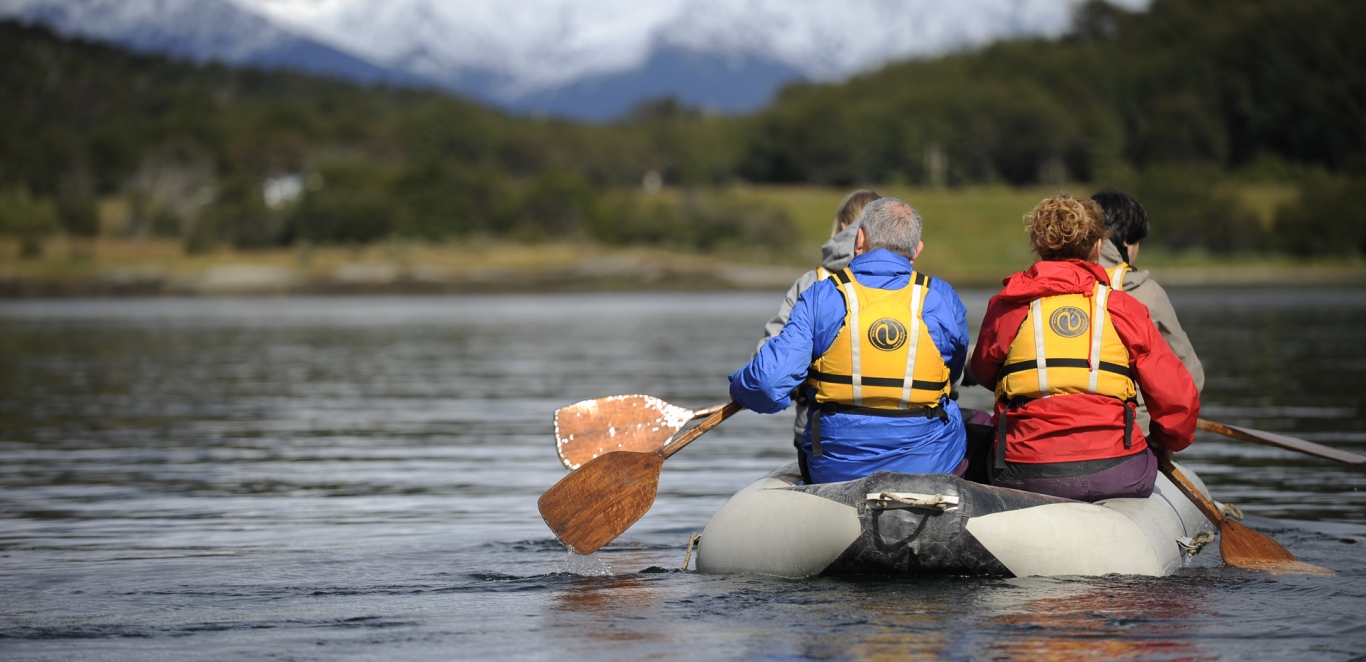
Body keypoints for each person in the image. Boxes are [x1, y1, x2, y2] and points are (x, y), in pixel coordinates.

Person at [969, 195, 1198, 501]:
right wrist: (1160, 441)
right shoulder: (1125, 308)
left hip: (1025, 471)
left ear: (1038, 246)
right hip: (1116, 469)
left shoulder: (1007, 306)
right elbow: (1177, 399)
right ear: (1098, 247)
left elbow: (986, 371)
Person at [731, 198, 969, 484]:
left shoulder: (820, 295)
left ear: (860, 239)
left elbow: (767, 384)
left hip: (836, 467)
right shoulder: (942, 297)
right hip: (928, 464)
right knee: (966, 418)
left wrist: (740, 389)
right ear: (916, 250)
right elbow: (952, 375)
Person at [755, 189, 881, 457]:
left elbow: (769, 365)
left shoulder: (811, 283)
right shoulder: (914, 286)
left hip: (824, 443)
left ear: (844, 228)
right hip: (911, 440)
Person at [1091, 190, 1205, 437]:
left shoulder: (1053, 283)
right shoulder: (1146, 293)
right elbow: (1189, 375)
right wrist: (1163, 441)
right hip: (1131, 436)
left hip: (1049, 435)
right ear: (1126, 243)